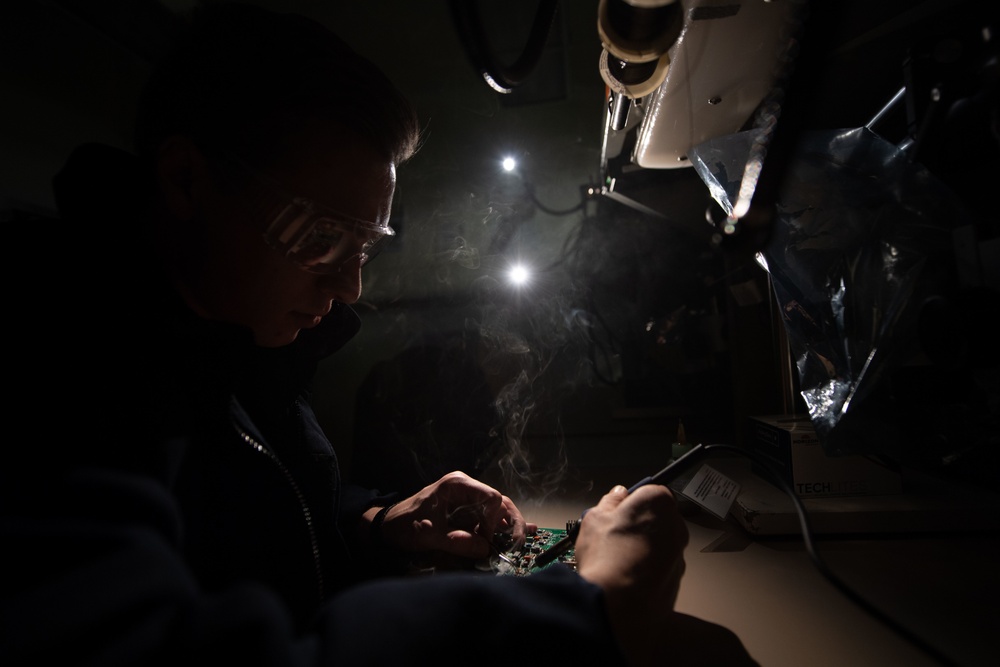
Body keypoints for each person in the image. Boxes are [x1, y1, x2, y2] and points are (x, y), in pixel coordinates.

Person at [1, 3, 757, 666]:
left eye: (364, 248)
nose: (350, 287)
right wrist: (587, 613)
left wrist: (374, 523)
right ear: (186, 181)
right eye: (322, 238)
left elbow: (242, 533)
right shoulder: (52, 350)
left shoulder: (229, 337)